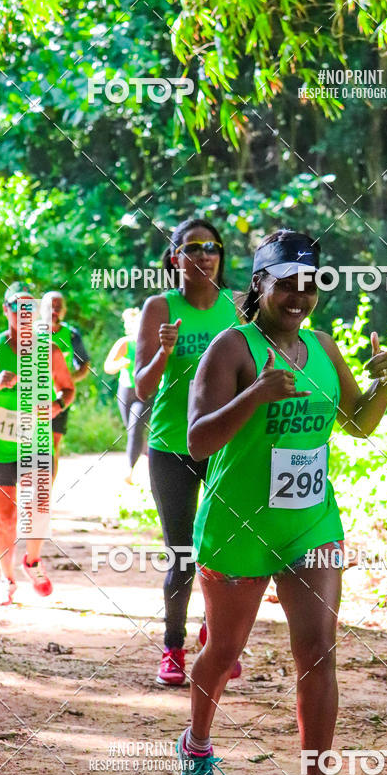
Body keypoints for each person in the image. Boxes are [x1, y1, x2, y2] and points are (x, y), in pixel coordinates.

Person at [176, 229, 387, 775]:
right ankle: (196, 746)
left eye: (311, 284)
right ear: (259, 283)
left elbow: (357, 423)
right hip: (237, 525)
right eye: (287, 283)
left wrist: (385, 383)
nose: (300, 296)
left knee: (318, 648)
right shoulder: (233, 348)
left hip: (311, 523)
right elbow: (198, 440)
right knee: (225, 650)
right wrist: (256, 393)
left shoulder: (322, 347)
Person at [135, 218, 244, 686]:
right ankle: (173, 648)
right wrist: (164, 352)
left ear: (221, 258)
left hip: (224, 445)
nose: (204, 254)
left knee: (224, 551)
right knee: (181, 552)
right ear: (175, 257)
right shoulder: (160, 307)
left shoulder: (238, 307)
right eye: (193, 246)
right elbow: (142, 387)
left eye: (212, 247)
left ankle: (216, 639)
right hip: (170, 447)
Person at [0, 283, 75, 605]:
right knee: (5, 519)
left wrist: (57, 407)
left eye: (31, 308)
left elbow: (68, 389)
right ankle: (7, 578)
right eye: (19, 307)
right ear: (6, 310)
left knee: (38, 508)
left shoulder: (49, 350)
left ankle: (32, 561)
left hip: (36, 439)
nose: (25, 314)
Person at [40, 291, 90, 479]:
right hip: (31, 398)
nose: (54, 311)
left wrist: (66, 381)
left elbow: (84, 365)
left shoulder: (71, 335)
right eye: (50, 306)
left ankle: (46, 495)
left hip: (59, 399)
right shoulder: (31, 332)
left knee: (52, 445)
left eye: (58, 308)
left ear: (64, 311)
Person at [104, 308, 154, 484]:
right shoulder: (124, 344)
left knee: (135, 428)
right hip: (126, 391)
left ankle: (129, 470)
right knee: (133, 430)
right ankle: (148, 454)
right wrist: (122, 362)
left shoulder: (152, 344)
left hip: (146, 393)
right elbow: (108, 367)